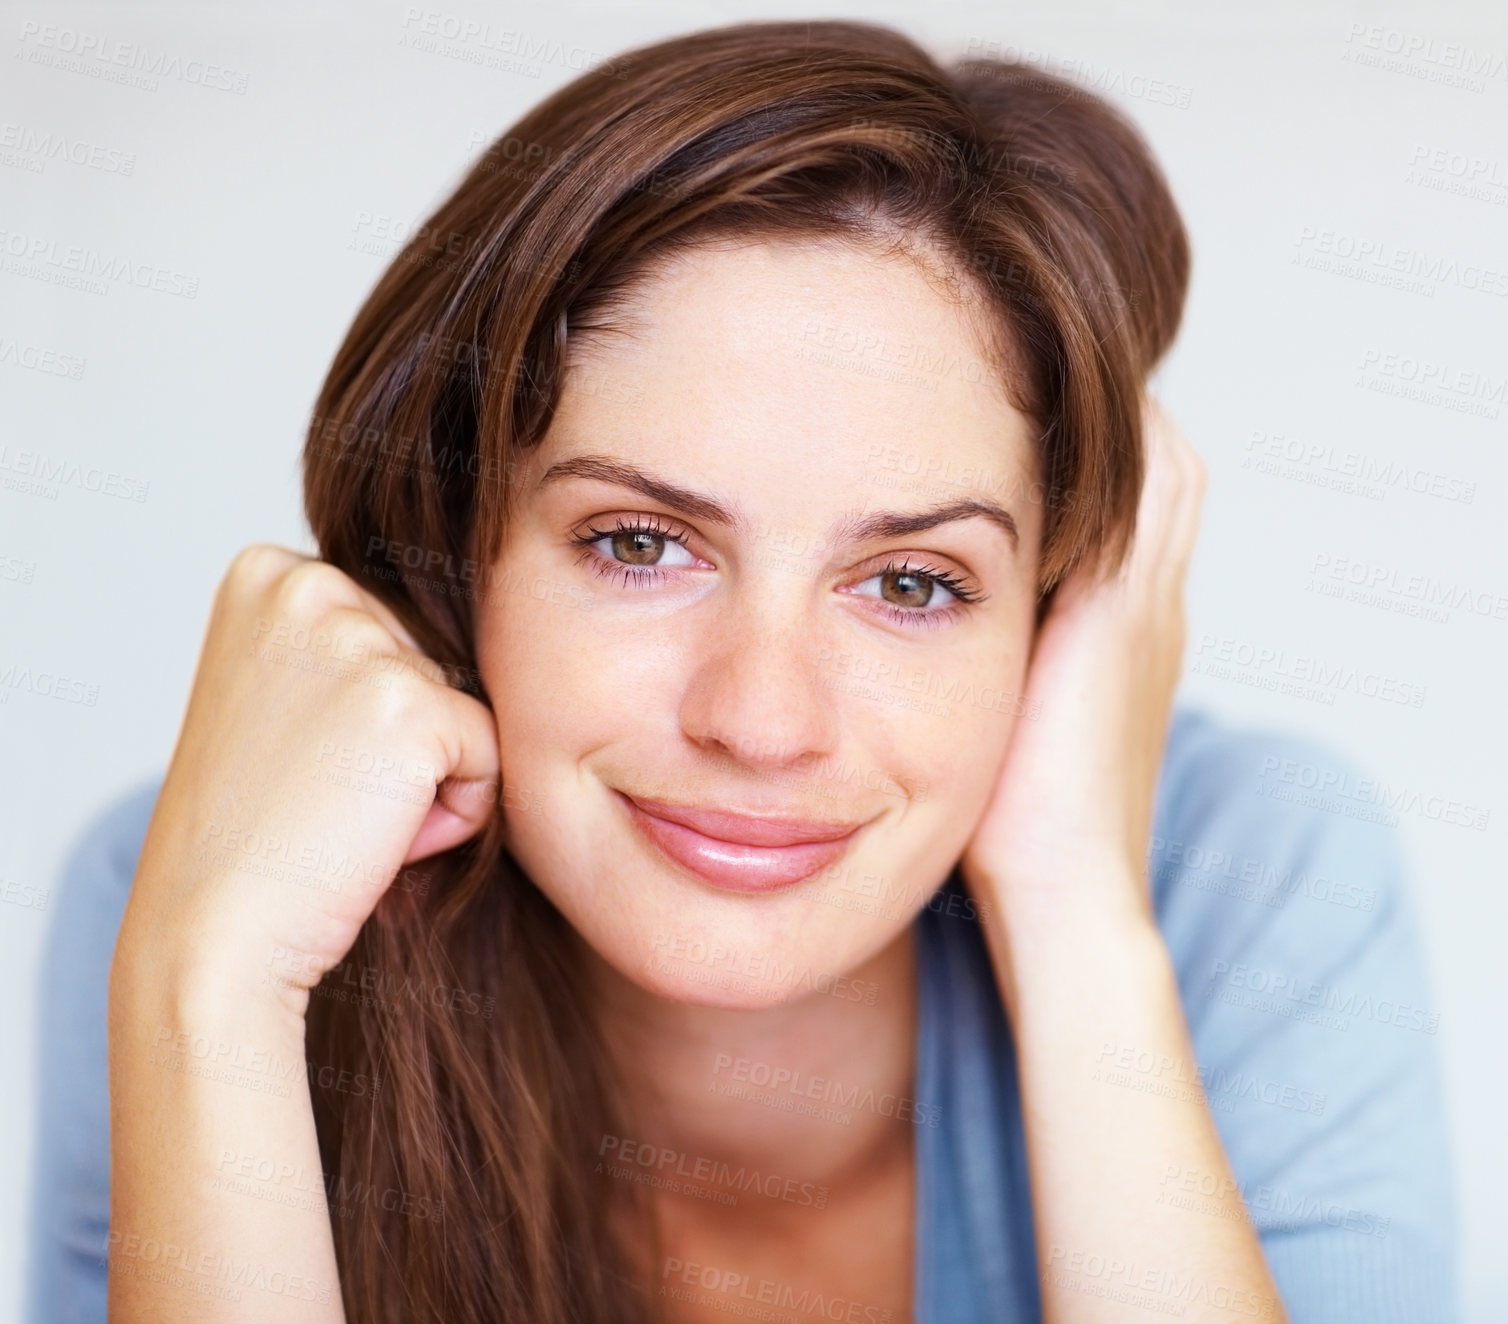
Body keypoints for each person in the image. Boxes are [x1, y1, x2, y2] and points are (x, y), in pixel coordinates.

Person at [27, 18, 1457, 1324]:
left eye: (912, 584)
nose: (761, 720)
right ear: (452, 559)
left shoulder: (1250, 875)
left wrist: (1078, 913)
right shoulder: (220, 892)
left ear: (1060, 610)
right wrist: (205, 985)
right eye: (641, 544)